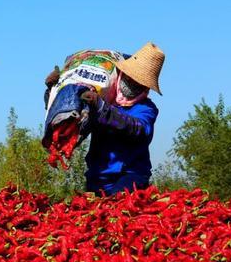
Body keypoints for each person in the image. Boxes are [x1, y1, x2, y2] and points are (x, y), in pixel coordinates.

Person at [45, 43, 165, 196]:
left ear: (146, 87)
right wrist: (53, 90)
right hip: (97, 176)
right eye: (130, 77)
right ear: (121, 74)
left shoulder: (145, 108)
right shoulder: (105, 97)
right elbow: (70, 118)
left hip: (129, 177)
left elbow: (137, 129)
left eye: (139, 82)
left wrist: (101, 106)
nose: (132, 83)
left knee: (117, 213)